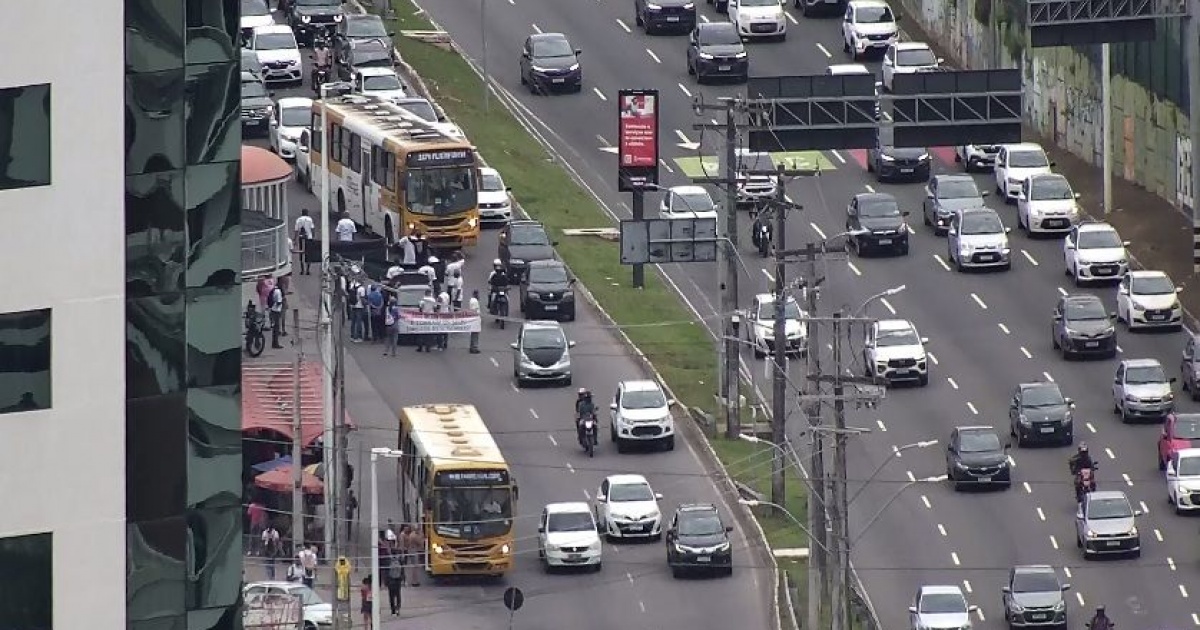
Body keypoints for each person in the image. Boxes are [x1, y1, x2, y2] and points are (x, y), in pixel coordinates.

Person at [294, 209, 315, 275]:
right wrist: (313, 236)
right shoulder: (310, 219)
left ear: (302, 213)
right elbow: (312, 229)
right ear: (307, 213)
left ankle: (302, 270)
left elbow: (296, 230)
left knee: (301, 253)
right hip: (309, 238)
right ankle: (308, 270)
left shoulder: (299, 220)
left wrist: (295, 239)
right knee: (309, 253)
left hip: (301, 237)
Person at [267, 282, 285, 349]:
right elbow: (279, 302)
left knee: (275, 328)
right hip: (276, 311)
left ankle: (274, 343)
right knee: (276, 328)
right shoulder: (278, 292)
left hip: (272, 310)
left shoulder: (274, 290)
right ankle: (275, 343)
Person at [467, 290, 481, 354]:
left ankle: (472, 347)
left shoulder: (472, 300)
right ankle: (474, 348)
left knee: (473, 334)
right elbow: (474, 311)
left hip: (473, 319)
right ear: (476, 294)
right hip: (475, 319)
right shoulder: (474, 301)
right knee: (475, 334)